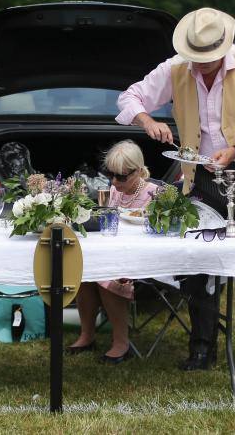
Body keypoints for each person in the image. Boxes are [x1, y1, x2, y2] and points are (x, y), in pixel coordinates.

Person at [116, 7, 235, 371]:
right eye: (197, 59)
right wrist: (146, 119)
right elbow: (130, 97)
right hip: (200, 177)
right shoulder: (175, 68)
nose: (202, 65)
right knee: (197, 260)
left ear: (224, 48)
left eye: (208, 59)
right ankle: (201, 347)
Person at [67, 140, 159, 364]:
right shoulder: (114, 191)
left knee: (106, 274)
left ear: (138, 171)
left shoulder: (154, 193)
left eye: (121, 177)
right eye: (111, 175)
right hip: (115, 254)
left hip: (145, 261)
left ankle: (121, 343)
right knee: (84, 272)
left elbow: (159, 234)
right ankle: (87, 335)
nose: (115, 181)